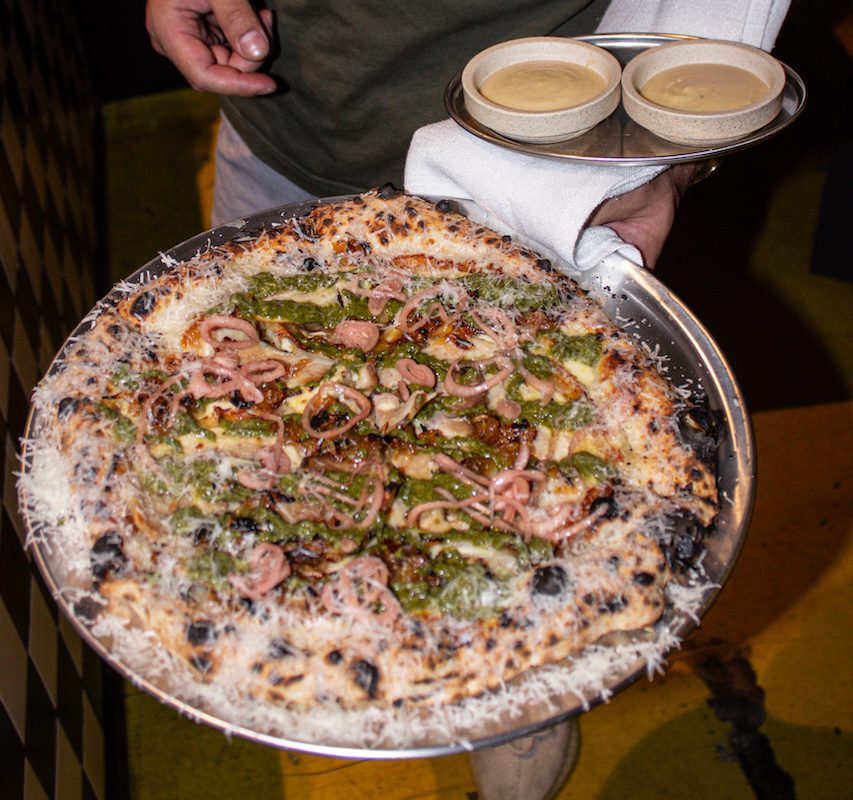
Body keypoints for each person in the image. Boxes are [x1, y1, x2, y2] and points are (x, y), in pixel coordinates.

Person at [144, 2, 789, 797]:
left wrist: (660, 158)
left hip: (540, 160)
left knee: (564, 545)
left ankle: (520, 690)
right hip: (284, 115)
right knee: (204, 376)